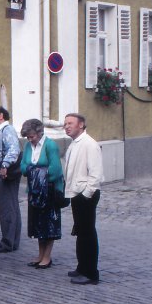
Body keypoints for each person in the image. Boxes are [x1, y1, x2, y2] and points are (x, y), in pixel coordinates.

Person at [63, 113, 103, 285]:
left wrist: (86, 194)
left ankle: (91, 273)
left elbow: (95, 175)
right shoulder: (75, 144)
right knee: (80, 232)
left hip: (85, 195)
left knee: (87, 233)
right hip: (76, 193)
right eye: (65, 124)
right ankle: (82, 267)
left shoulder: (89, 144)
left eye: (70, 123)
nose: (66, 126)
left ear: (81, 125)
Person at [20, 118, 64, 269]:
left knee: (48, 224)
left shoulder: (50, 145)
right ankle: (40, 254)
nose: (30, 139)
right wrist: (36, 173)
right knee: (37, 224)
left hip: (49, 191)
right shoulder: (27, 146)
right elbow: (23, 166)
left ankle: (47, 256)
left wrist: (35, 173)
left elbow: (56, 170)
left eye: (32, 136)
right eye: (27, 137)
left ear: (40, 133)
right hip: (34, 191)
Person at [0, 105, 22, 253]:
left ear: (1, 116)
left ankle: (8, 241)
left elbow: (14, 149)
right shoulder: (4, 130)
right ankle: (12, 240)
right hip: (5, 170)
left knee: (7, 207)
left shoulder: (7, 130)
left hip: (5, 172)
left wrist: (4, 166)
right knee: (11, 205)